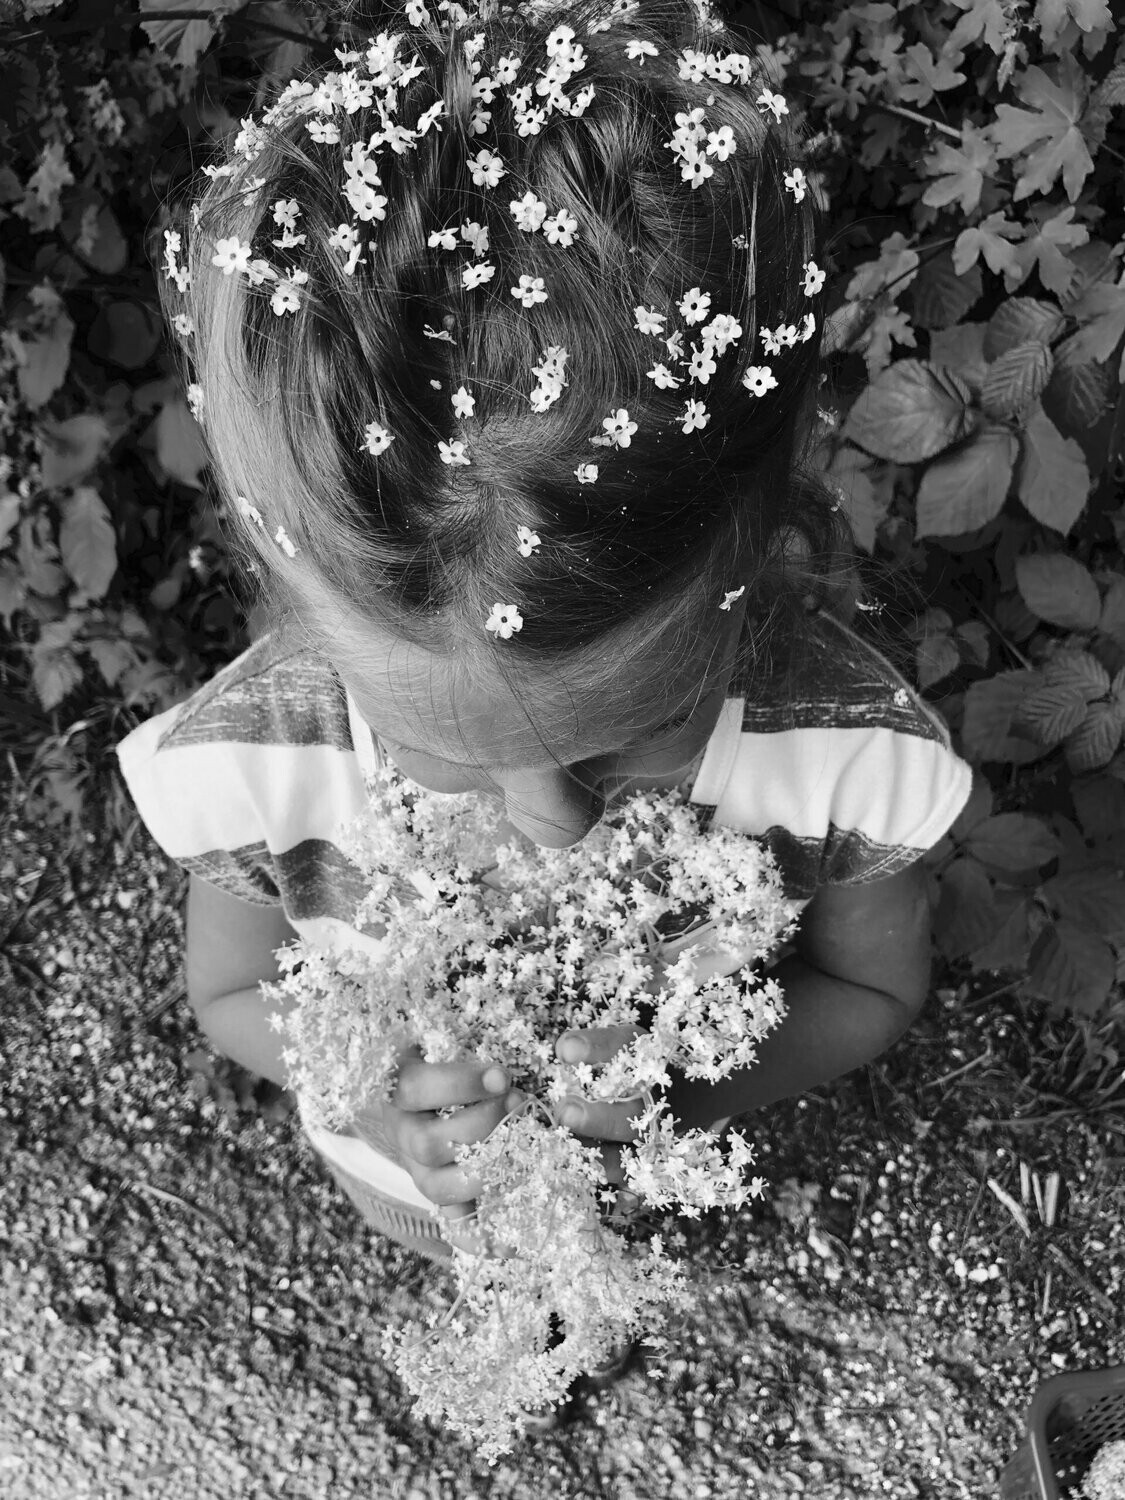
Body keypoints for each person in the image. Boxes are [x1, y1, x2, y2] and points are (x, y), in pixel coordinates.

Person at [118, 0, 970, 1340]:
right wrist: (370, 1094)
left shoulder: (847, 762)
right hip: (399, 1184)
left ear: (752, 534)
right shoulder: (249, 769)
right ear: (296, 606)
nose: (550, 828)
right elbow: (230, 992)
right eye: (442, 763)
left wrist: (673, 1102)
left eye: (630, 737)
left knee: (592, 1312)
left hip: (647, 1187)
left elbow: (869, 990)